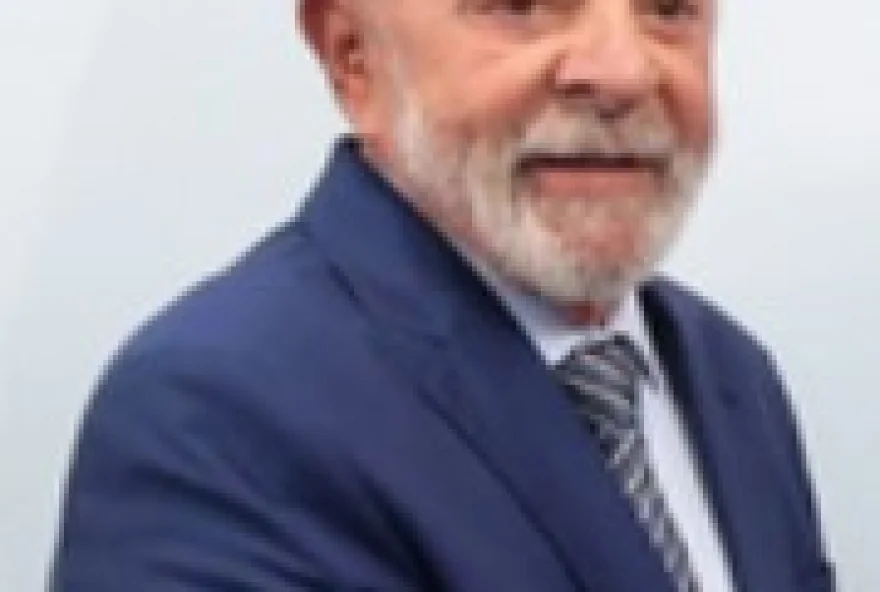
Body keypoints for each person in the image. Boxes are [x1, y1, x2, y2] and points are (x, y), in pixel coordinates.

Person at [52, 0, 834, 589]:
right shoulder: (217, 414)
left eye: (668, 8)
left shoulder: (729, 377)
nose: (623, 70)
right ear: (354, 59)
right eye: (521, 4)